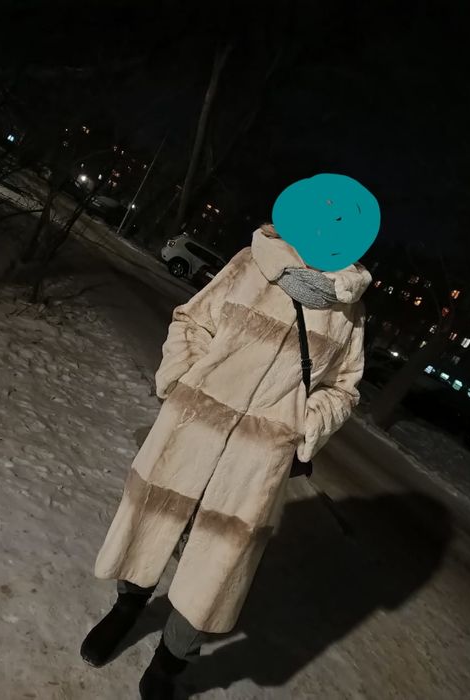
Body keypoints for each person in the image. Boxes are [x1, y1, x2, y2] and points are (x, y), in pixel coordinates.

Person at [80, 223, 371, 698]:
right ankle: (126, 607)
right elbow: (192, 321)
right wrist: (184, 379)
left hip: (257, 458)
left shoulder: (348, 308)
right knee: (152, 518)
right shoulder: (250, 264)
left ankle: (171, 661)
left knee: (218, 561)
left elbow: (343, 388)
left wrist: (302, 426)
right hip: (193, 426)